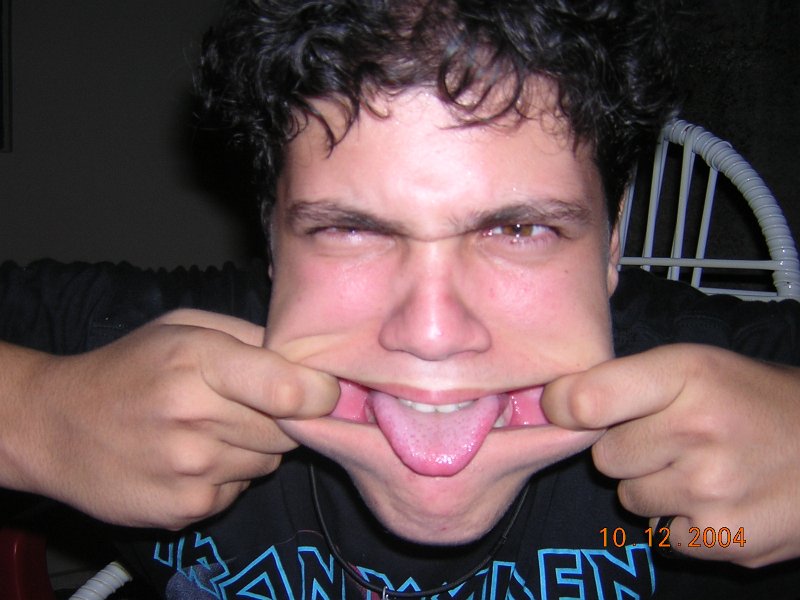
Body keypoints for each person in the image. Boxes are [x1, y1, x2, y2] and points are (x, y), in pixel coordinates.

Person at [2, 0, 800, 597]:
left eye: (519, 229)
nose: (432, 332)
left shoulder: (743, 397)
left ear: (613, 242)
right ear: (272, 237)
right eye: (351, 230)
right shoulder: (135, 358)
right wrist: (36, 418)